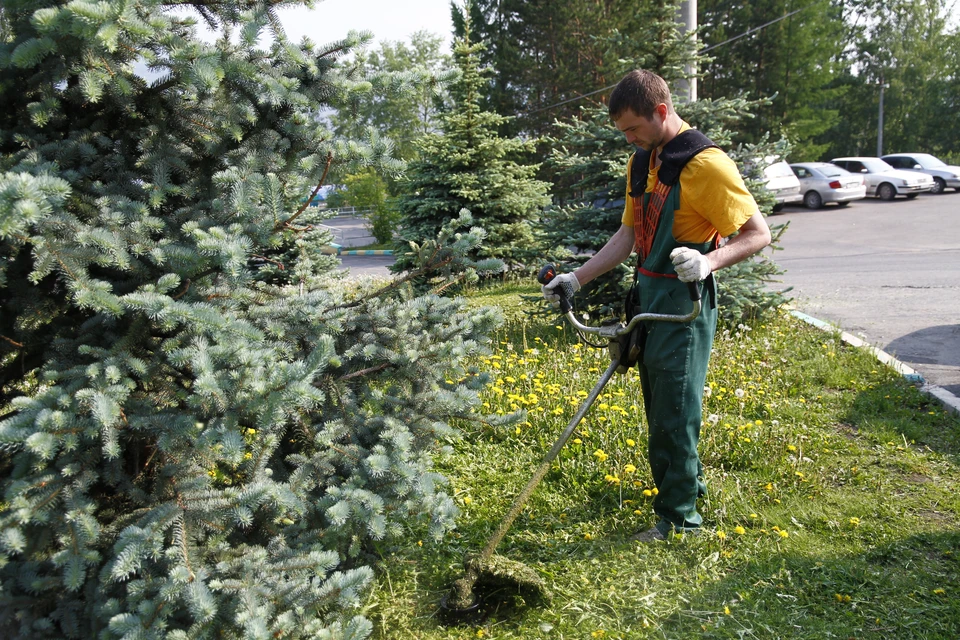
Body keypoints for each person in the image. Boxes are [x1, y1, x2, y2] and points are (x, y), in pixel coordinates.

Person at [542, 70, 772, 540]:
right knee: (660, 405)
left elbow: (756, 235)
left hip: (684, 301)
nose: (628, 138)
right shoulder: (641, 163)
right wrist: (576, 278)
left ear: (661, 112)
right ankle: (688, 490)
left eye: (632, 128)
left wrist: (708, 262)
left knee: (675, 411)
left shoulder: (708, 166)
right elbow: (629, 236)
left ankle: (680, 520)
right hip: (647, 294)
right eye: (623, 131)